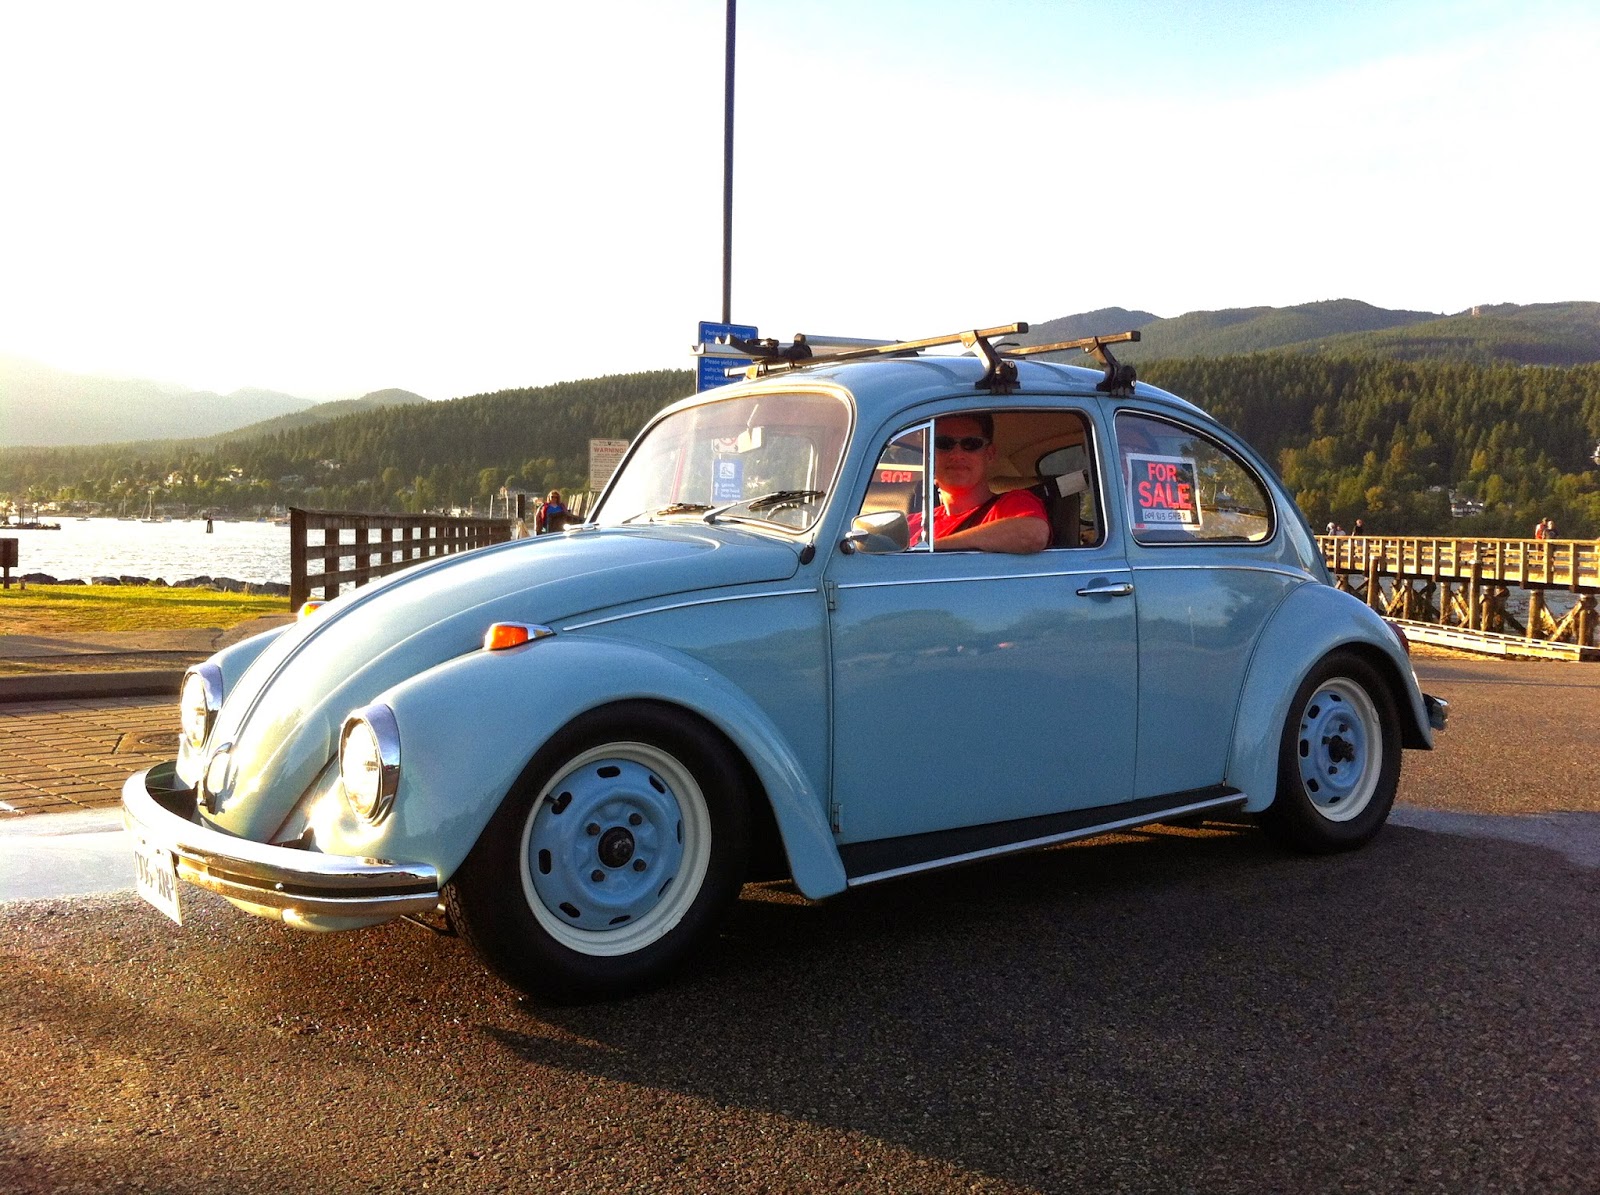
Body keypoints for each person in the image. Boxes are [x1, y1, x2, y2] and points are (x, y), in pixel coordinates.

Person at [905, 414, 1049, 553]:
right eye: (943, 444)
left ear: (989, 454)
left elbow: (1033, 534)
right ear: (929, 455)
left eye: (971, 444)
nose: (956, 455)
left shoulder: (1013, 504)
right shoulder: (911, 524)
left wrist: (931, 549)